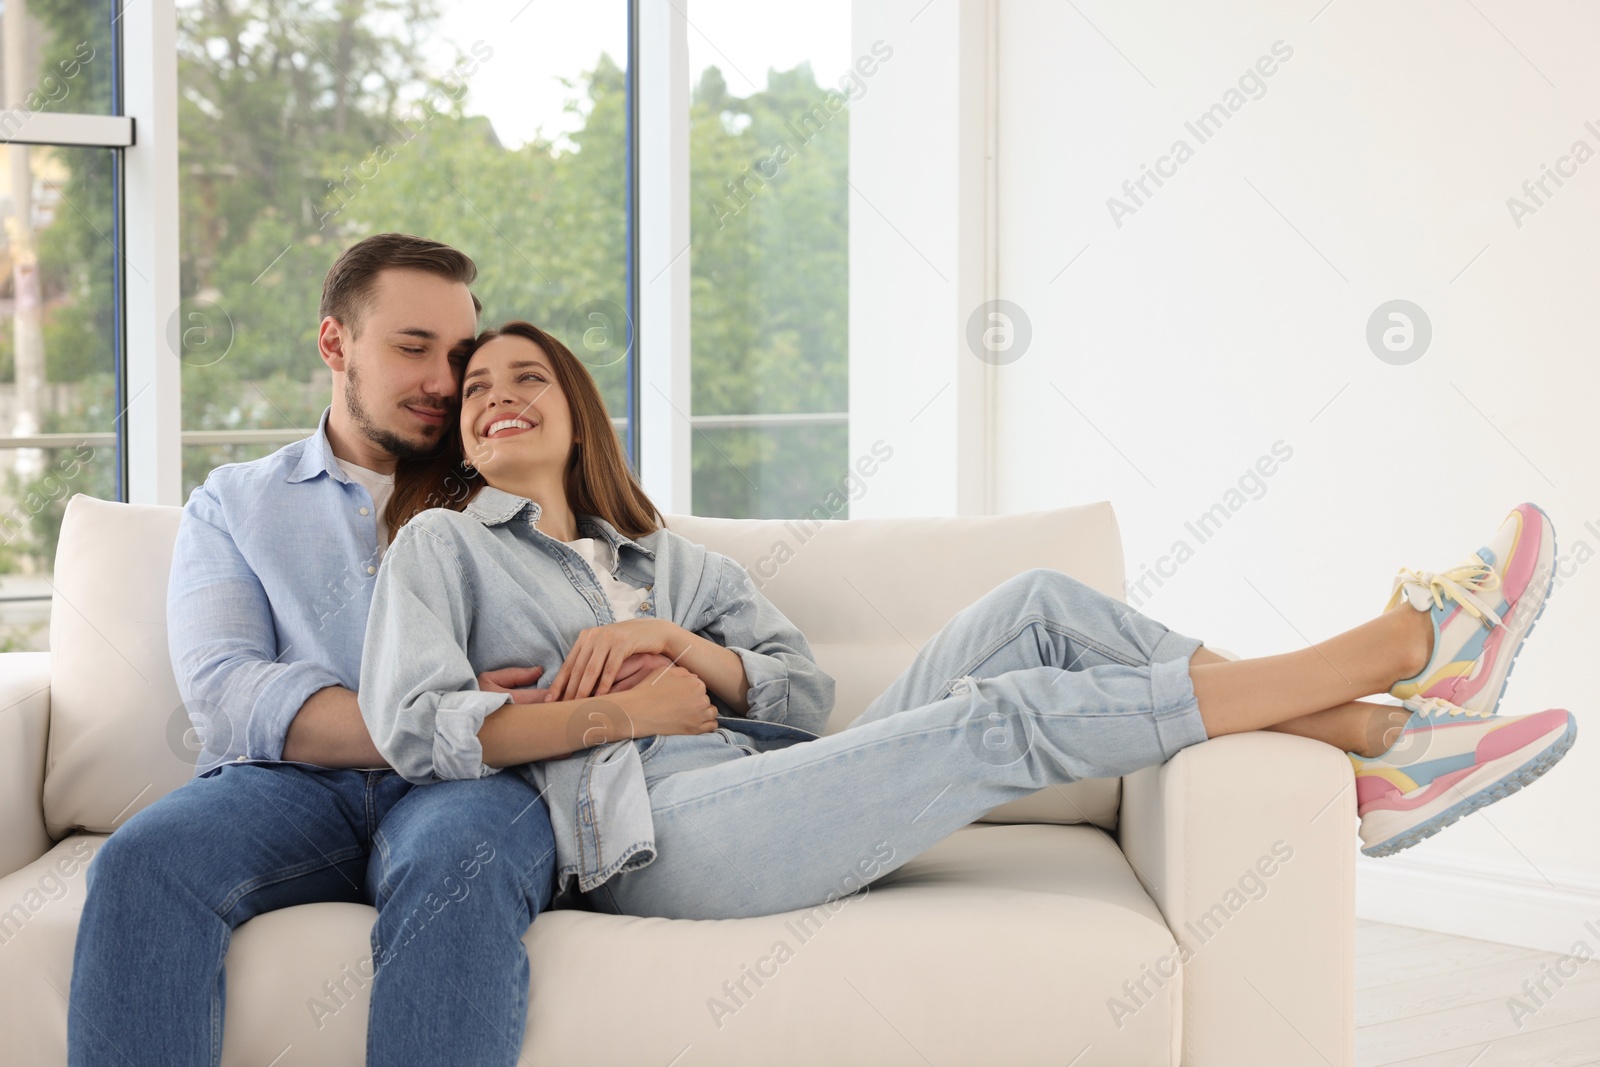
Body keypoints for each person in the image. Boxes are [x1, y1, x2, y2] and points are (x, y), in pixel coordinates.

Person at [357, 317, 1579, 923]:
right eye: (474, 390)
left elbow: (800, 692)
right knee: (1009, 714)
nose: (497, 396)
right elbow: (415, 724)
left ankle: (1375, 742)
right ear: (460, 436)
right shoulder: (444, 546)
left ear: (577, 410)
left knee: (1035, 604)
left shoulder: (667, 558)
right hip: (652, 837)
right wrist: (631, 706)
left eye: (527, 377)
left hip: (776, 778)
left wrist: (688, 649)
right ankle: (1400, 659)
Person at [69, 236, 620, 1066]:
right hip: (283, 791)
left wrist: (466, 726)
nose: (444, 380)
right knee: (142, 863)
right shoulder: (235, 503)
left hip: (467, 788)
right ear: (335, 344)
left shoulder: (507, 485)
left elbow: (579, 638)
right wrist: (442, 714)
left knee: (461, 864)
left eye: (459, 354)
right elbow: (228, 691)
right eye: (412, 347)